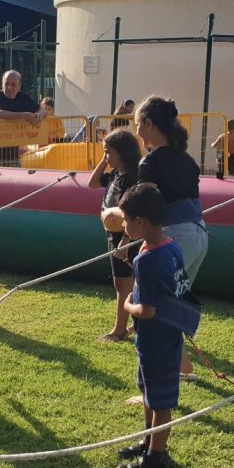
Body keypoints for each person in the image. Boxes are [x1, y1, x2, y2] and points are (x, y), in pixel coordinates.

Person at [102, 96, 206, 377]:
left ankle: (155, 384)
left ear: (149, 124)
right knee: (171, 308)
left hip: (174, 237)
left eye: (138, 125)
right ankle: (183, 369)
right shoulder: (187, 159)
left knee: (154, 312)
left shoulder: (150, 161)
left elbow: (144, 206)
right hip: (199, 236)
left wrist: (125, 239)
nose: (137, 132)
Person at [114, 183, 197, 468]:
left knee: (160, 403)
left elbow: (147, 310)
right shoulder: (170, 246)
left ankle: (155, 463)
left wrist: (127, 305)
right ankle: (149, 442)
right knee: (149, 391)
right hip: (162, 339)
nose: (123, 226)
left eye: (125, 220)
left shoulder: (146, 260)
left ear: (140, 222)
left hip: (156, 341)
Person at [89, 129, 142, 342]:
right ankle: (132, 325)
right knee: (124, 283)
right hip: (114, 235)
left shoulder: (131, 177)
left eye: (109, 152)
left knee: (123, 283)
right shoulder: (114, 174)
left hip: (125, 236)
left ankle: (120, 330)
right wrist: (104, 160)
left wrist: (126, 240)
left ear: (123, 152)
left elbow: (133, 209)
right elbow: (92, 183)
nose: (106, 156)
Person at [0, 69, 40, 165]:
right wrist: (22, 116)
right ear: (2, 84)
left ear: (19, 86)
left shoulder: (23, 98)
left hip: (12, 154)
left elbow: (42, 110)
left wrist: (40, 115)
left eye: (13, 84)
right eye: (6, 84)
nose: (9, 87)